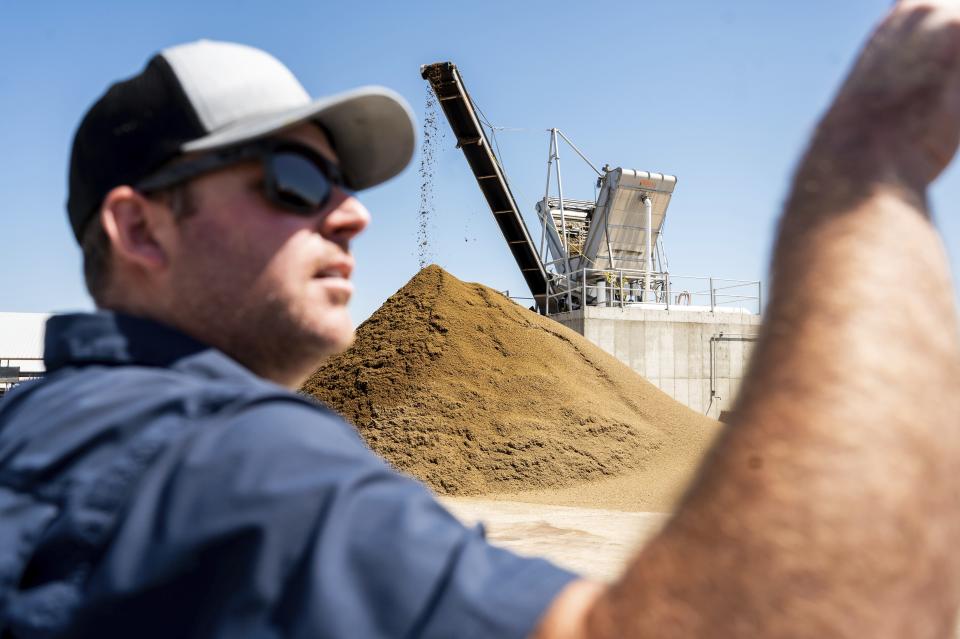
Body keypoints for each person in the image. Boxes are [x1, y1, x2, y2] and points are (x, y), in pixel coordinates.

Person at [2, 1, 960, 637]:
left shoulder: (38, 427)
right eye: (292, 180)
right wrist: (867, 168)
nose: (351, 211)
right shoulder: (239, 468)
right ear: (137, 227)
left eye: (341, 180)